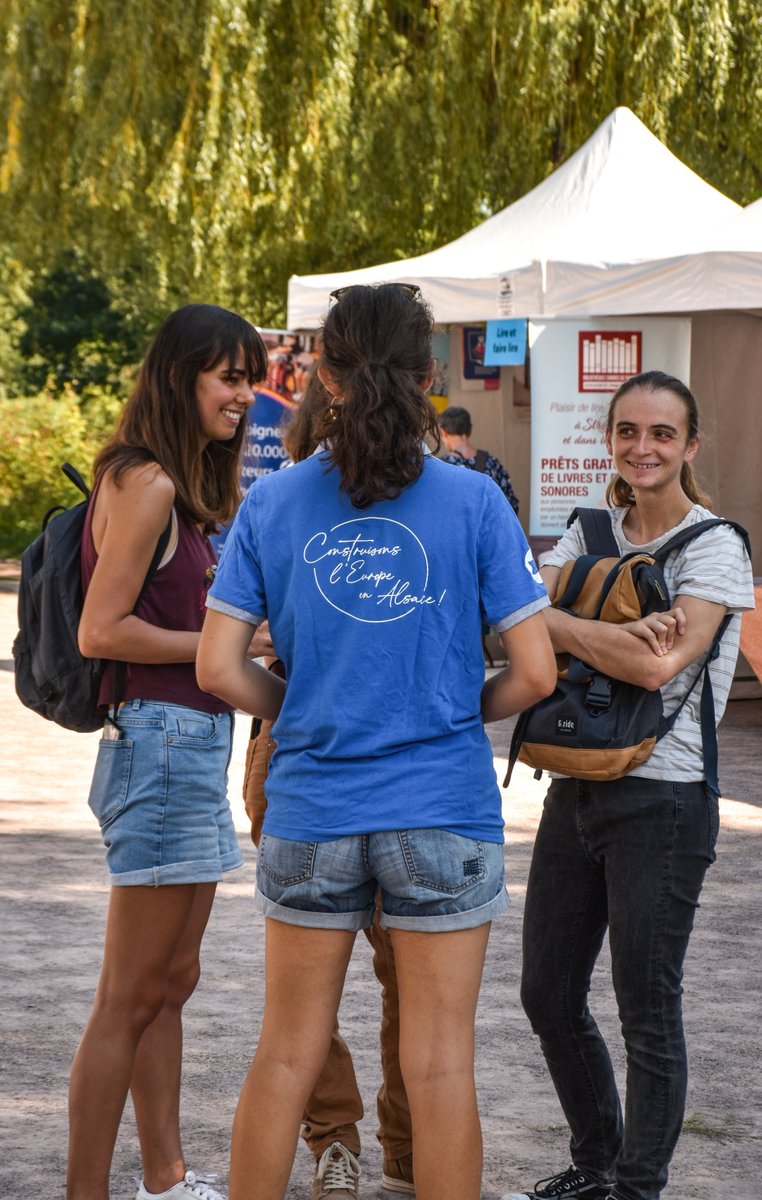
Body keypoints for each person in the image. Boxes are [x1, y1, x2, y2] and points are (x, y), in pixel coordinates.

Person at [197, 282, 557, 1200]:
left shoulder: (273, 503)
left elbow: (218, 668)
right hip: (443, 804)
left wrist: (298, 702)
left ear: (324, 374)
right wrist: (454, 708)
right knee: (440, 1066)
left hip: (313, 807)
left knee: (285, 1057)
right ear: (429, 375)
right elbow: (537, 673)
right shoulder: (473, 501)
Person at [502, 371, 754, 1200]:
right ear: (608, 438)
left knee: (647, 1006)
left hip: (667, 799)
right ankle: (596, 1160)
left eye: (661, 434)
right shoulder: (588, 528)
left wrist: (562, 624)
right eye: (627, 432)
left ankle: (635, 1188)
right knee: (547, 993)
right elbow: (519, 628)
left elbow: (657, 662)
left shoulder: (716, 545)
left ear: (689, 445)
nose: (642, 448)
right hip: (576, 786)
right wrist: (578, 625)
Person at [69, 303, 267, 1200]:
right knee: (129, 994)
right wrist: (212, 647)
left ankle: (165, 1176)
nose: (245, 394)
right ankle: (87, 1191)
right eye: (228, 376)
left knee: (170, 983)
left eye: (248, 376)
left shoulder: (168, 483)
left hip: (185, 744)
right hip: (158, 745)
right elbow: (99, 629)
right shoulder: (145, 482)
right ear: (180, 376)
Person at [243, 373, 416, 1199]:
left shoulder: (428, 490)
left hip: (317, 744)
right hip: (297, 747)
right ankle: (339, 1140)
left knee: (389, 977)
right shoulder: (285, 493)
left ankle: (402, 1146)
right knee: (317, 991)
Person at [438, 405, 520, 513]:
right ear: (470, 430)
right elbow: (511, 505)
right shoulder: (492, 462)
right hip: (492, 529)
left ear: (443, 432)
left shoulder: (442, 468)